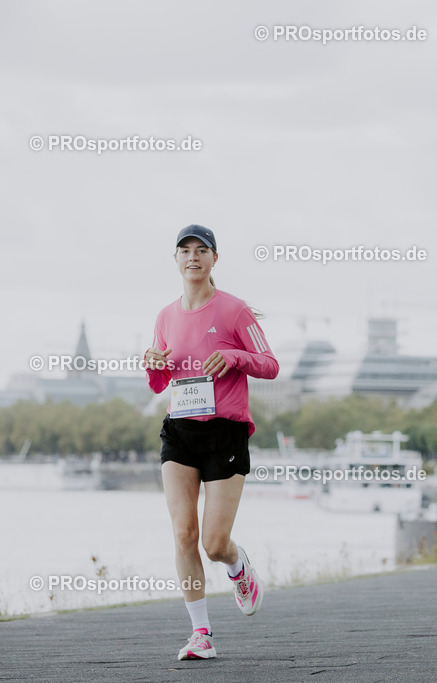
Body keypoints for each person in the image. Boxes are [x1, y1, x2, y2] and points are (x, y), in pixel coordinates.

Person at [144, 225, 279, 661]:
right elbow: (159, 382)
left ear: (214, 260)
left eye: (201, 250)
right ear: (176, 261)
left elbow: (270, 364)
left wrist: (235, 357)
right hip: (179, 431)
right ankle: (201, 633)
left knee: (214, 543)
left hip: (225, 433)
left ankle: (239, 568)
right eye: (185, 251)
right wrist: (153, 365)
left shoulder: (235, 310)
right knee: (184, 533)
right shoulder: (165, 316)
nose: (193, 257)